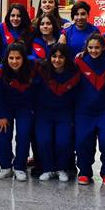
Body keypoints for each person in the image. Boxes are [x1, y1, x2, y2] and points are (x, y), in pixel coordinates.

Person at [74, 33, 105, 186]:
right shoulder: (79, 61)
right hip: (83, 110)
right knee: (83, 141)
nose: (93, 51)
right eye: (90, 48)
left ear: (103, 47)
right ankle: (84, 171)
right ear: (86, 48)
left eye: (97, 47)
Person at [34, 42, 78, 182]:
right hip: (44, 112)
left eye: (61, 57)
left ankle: (62, 168)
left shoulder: (73, 72)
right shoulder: (42, 70)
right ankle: (48, 169)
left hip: (64, 113)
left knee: (63, 141)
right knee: (43, 140)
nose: (57, 60)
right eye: (54, 56)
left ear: (66, 58)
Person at [0, 42, 35, 181]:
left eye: (18, 58)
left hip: (25, 108)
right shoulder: (0, 71)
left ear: (24, 58)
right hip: (6, 107)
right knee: (3, 133)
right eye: (11, 58)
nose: (14, 61)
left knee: (23, 135)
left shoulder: (32, 68)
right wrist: (2, 115)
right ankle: (5, 166)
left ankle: (20, 167)